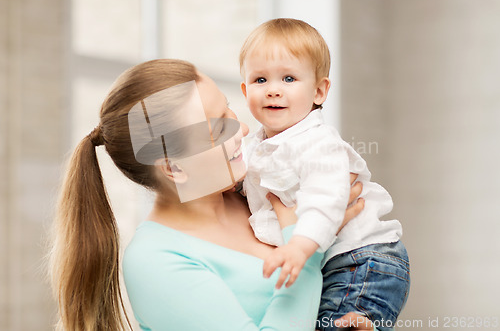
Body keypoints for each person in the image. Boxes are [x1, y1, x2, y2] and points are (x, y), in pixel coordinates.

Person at [49, 59, 373, 331]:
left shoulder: (258, 193)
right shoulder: (155, 262)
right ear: (174, 168)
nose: (244, 130)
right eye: (218, 130)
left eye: (229, 109)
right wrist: (306, 250)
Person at [239, 18, 410, 330]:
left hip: (362, 260)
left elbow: (325, 199)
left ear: (319, 91)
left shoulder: (318, 143)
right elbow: (245, 181)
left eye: (288, 78)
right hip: (336, 262)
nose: (273, 91)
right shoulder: (255, 146)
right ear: (245, 89)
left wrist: (299, 246)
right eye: (260, 80)